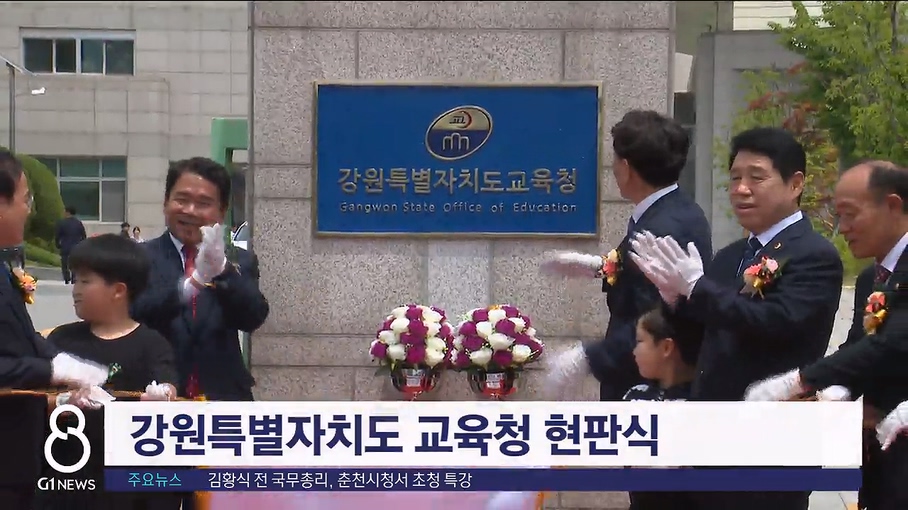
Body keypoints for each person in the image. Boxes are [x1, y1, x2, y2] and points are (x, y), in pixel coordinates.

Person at [629, 127, 844, 510]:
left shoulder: (814, 256)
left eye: (756, 177)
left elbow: (775, 323)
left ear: (795, 184)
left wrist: (698, 288)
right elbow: (702, 337)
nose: (741, 189)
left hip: (768, 449)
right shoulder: (731, 256)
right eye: (734, 178)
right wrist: (675, 300)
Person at [745, 161, 908, 510]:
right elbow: (860, 345)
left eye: (850, 214)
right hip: (882, 463)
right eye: (839, 216)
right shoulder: (871, 279)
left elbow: (893, 343)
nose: (843, 228)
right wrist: (836, 391)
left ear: (893, 206)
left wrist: (799, 380)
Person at [540, 109, 712, 401]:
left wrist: (588, 357)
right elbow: (645, 277)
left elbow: (658, 315)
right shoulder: (673, 210)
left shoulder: (663, 227)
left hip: (647, 386)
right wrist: (601, 267)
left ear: (626, 167)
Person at [129, 157, 269, 510]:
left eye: (204, 203)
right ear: (166, 202)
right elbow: (135, 312)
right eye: (182, 199)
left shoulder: (238, 261)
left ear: (221, 211)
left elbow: (253, 316)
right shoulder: (138, 258)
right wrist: (190, 285)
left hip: (222, 402)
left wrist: (221, 271)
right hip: (157, 405)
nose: (190, 211)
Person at [37, 233, 181, 510]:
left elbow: (168, 386)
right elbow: (35, 396)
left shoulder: (151, 344)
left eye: (85, 281)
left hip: (126, 483)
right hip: (66, 477)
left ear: (118, 290)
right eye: (75, 280)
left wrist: (162, 395)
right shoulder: (61, 339)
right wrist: (63, 402)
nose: (75, 289)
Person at [0, 149, 110, 510]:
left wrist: (64, 366)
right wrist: (50, 370)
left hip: (17, 457)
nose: (29, 210)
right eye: (25, 200)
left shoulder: (3, 268)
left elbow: (21, 337)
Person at [625, 303, 702, 510]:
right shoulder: (636, 396)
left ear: (666, 347)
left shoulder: (699, 403)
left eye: (640, 341)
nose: (634, 351)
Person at [54, 206, 87, 284]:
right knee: (75, 263)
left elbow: (58, 235)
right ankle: (73, 278)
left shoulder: (62, 223)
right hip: (76, 246)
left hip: (65, 246)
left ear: (68, 212)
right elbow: (83, 236)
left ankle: (66, 278)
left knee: (64, 263)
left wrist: (57, 244)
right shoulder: (78, 223)